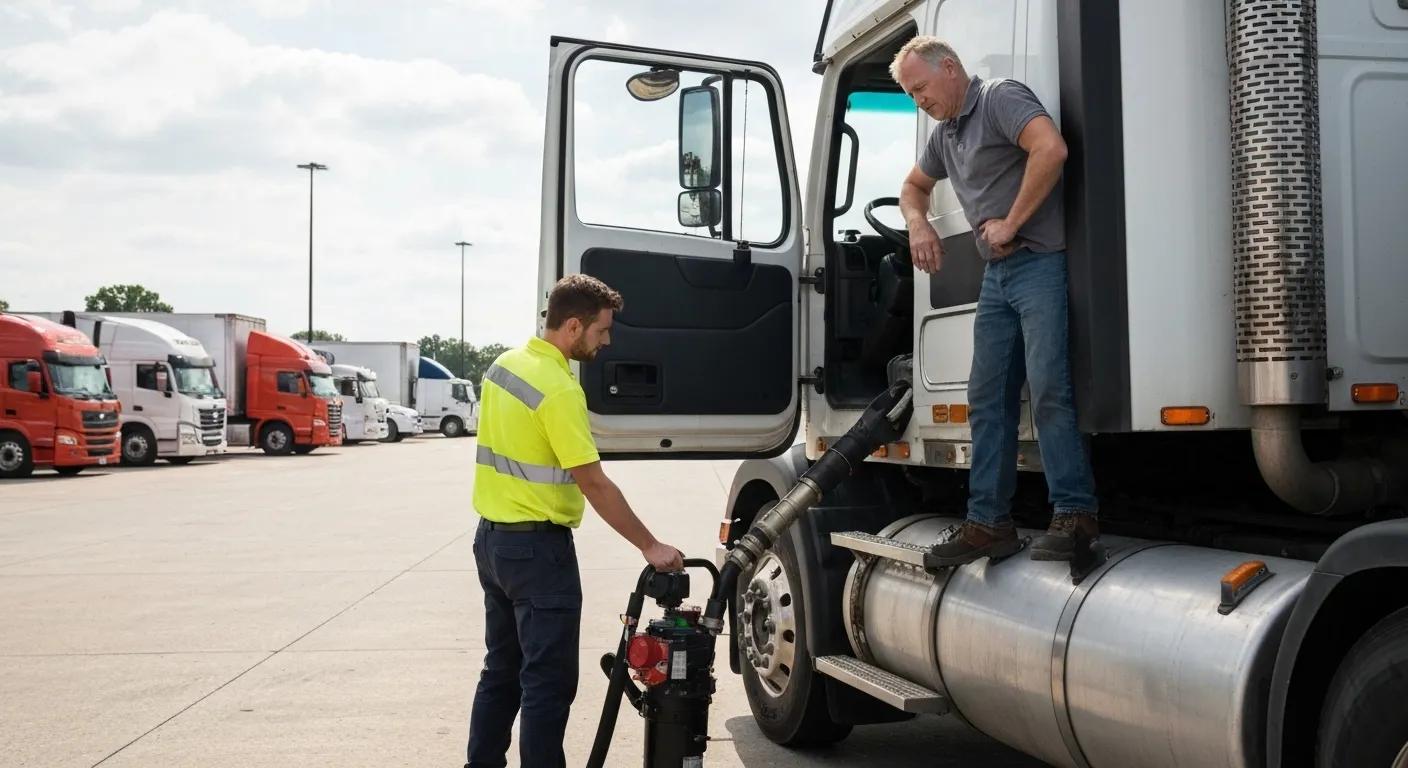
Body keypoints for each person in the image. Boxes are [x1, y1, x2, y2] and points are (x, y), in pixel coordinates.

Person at [890, 37, 1099, 565]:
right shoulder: (945, 135)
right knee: (987, 399)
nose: (919, 100)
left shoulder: (1001, 98)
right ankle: (988, 524)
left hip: (1040, 263)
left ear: (951, 68)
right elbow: (912, 188)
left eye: (921, 88)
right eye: (910, 94)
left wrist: (1012, 221)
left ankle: (1075, 515)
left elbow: (1050, 149)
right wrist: (918, 226)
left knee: (1049, 388)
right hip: (998, 276)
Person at [465, 274, 684, 768]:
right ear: (571, 326)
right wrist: (650, 546)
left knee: (500, 670)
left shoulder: (504, 366)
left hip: (492, 543)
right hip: (539, 555)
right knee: (547, 682)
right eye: (601, 331)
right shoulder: (559, 389)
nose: (606, 342)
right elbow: (594, 483)